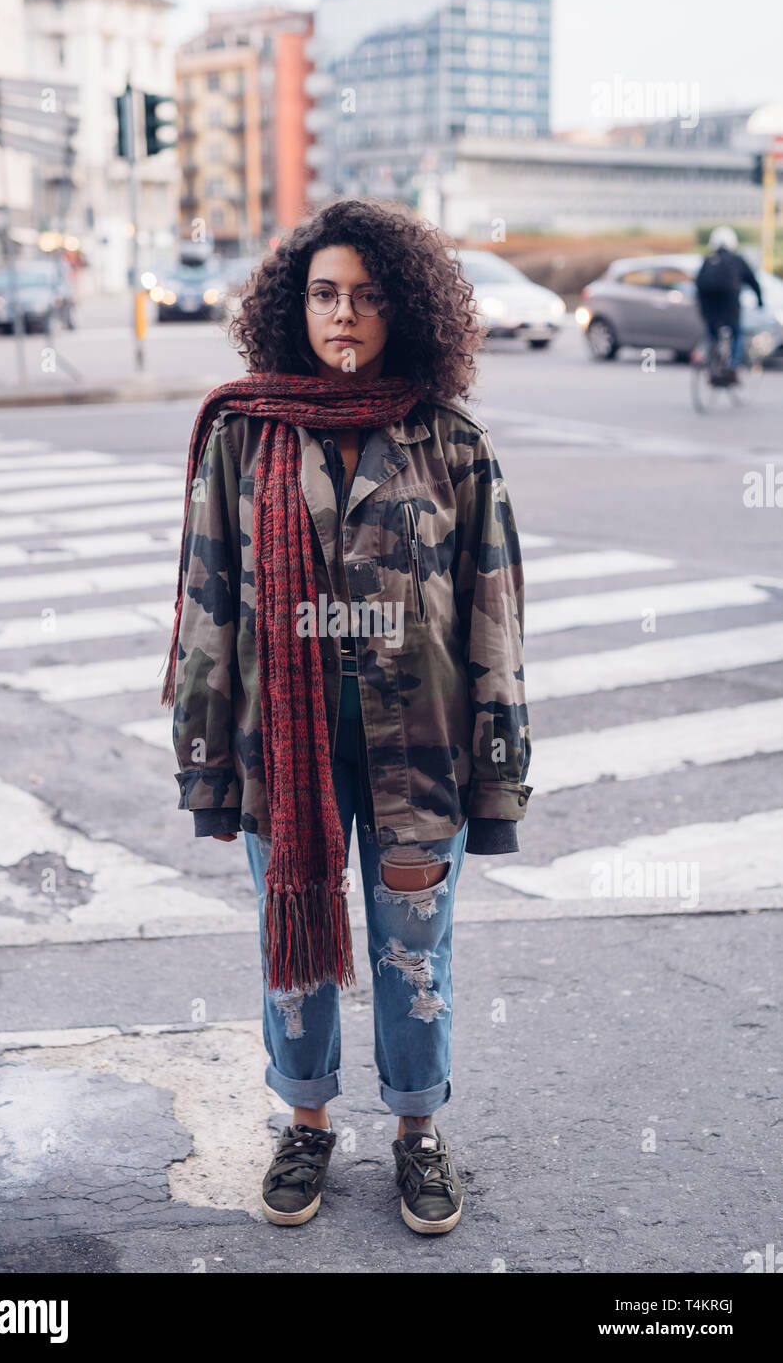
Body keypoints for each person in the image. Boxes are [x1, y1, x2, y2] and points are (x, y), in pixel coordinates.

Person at [161, 199, 532, 1235]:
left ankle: (417, 1131)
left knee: (416, 949)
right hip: (283, 754)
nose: (343, 316)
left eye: (367, 298)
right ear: (295, 306)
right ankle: (307, 1119)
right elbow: (207, 608)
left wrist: (497, 780)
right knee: (296, 943)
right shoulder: (243, 434)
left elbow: (493, 614)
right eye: (325, 294)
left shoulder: (449, 442)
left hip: (420, 760)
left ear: (401, 311)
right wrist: (204, 770)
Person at [694, 225, 763, 372]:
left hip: (709, 310)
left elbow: (698, 284)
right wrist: (760, 301)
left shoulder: (708, 260)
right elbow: (753, 282)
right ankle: (733, 365)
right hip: (730, 308)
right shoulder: (737, 260)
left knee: (712, 334)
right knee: (737, 333)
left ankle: (710, 361)